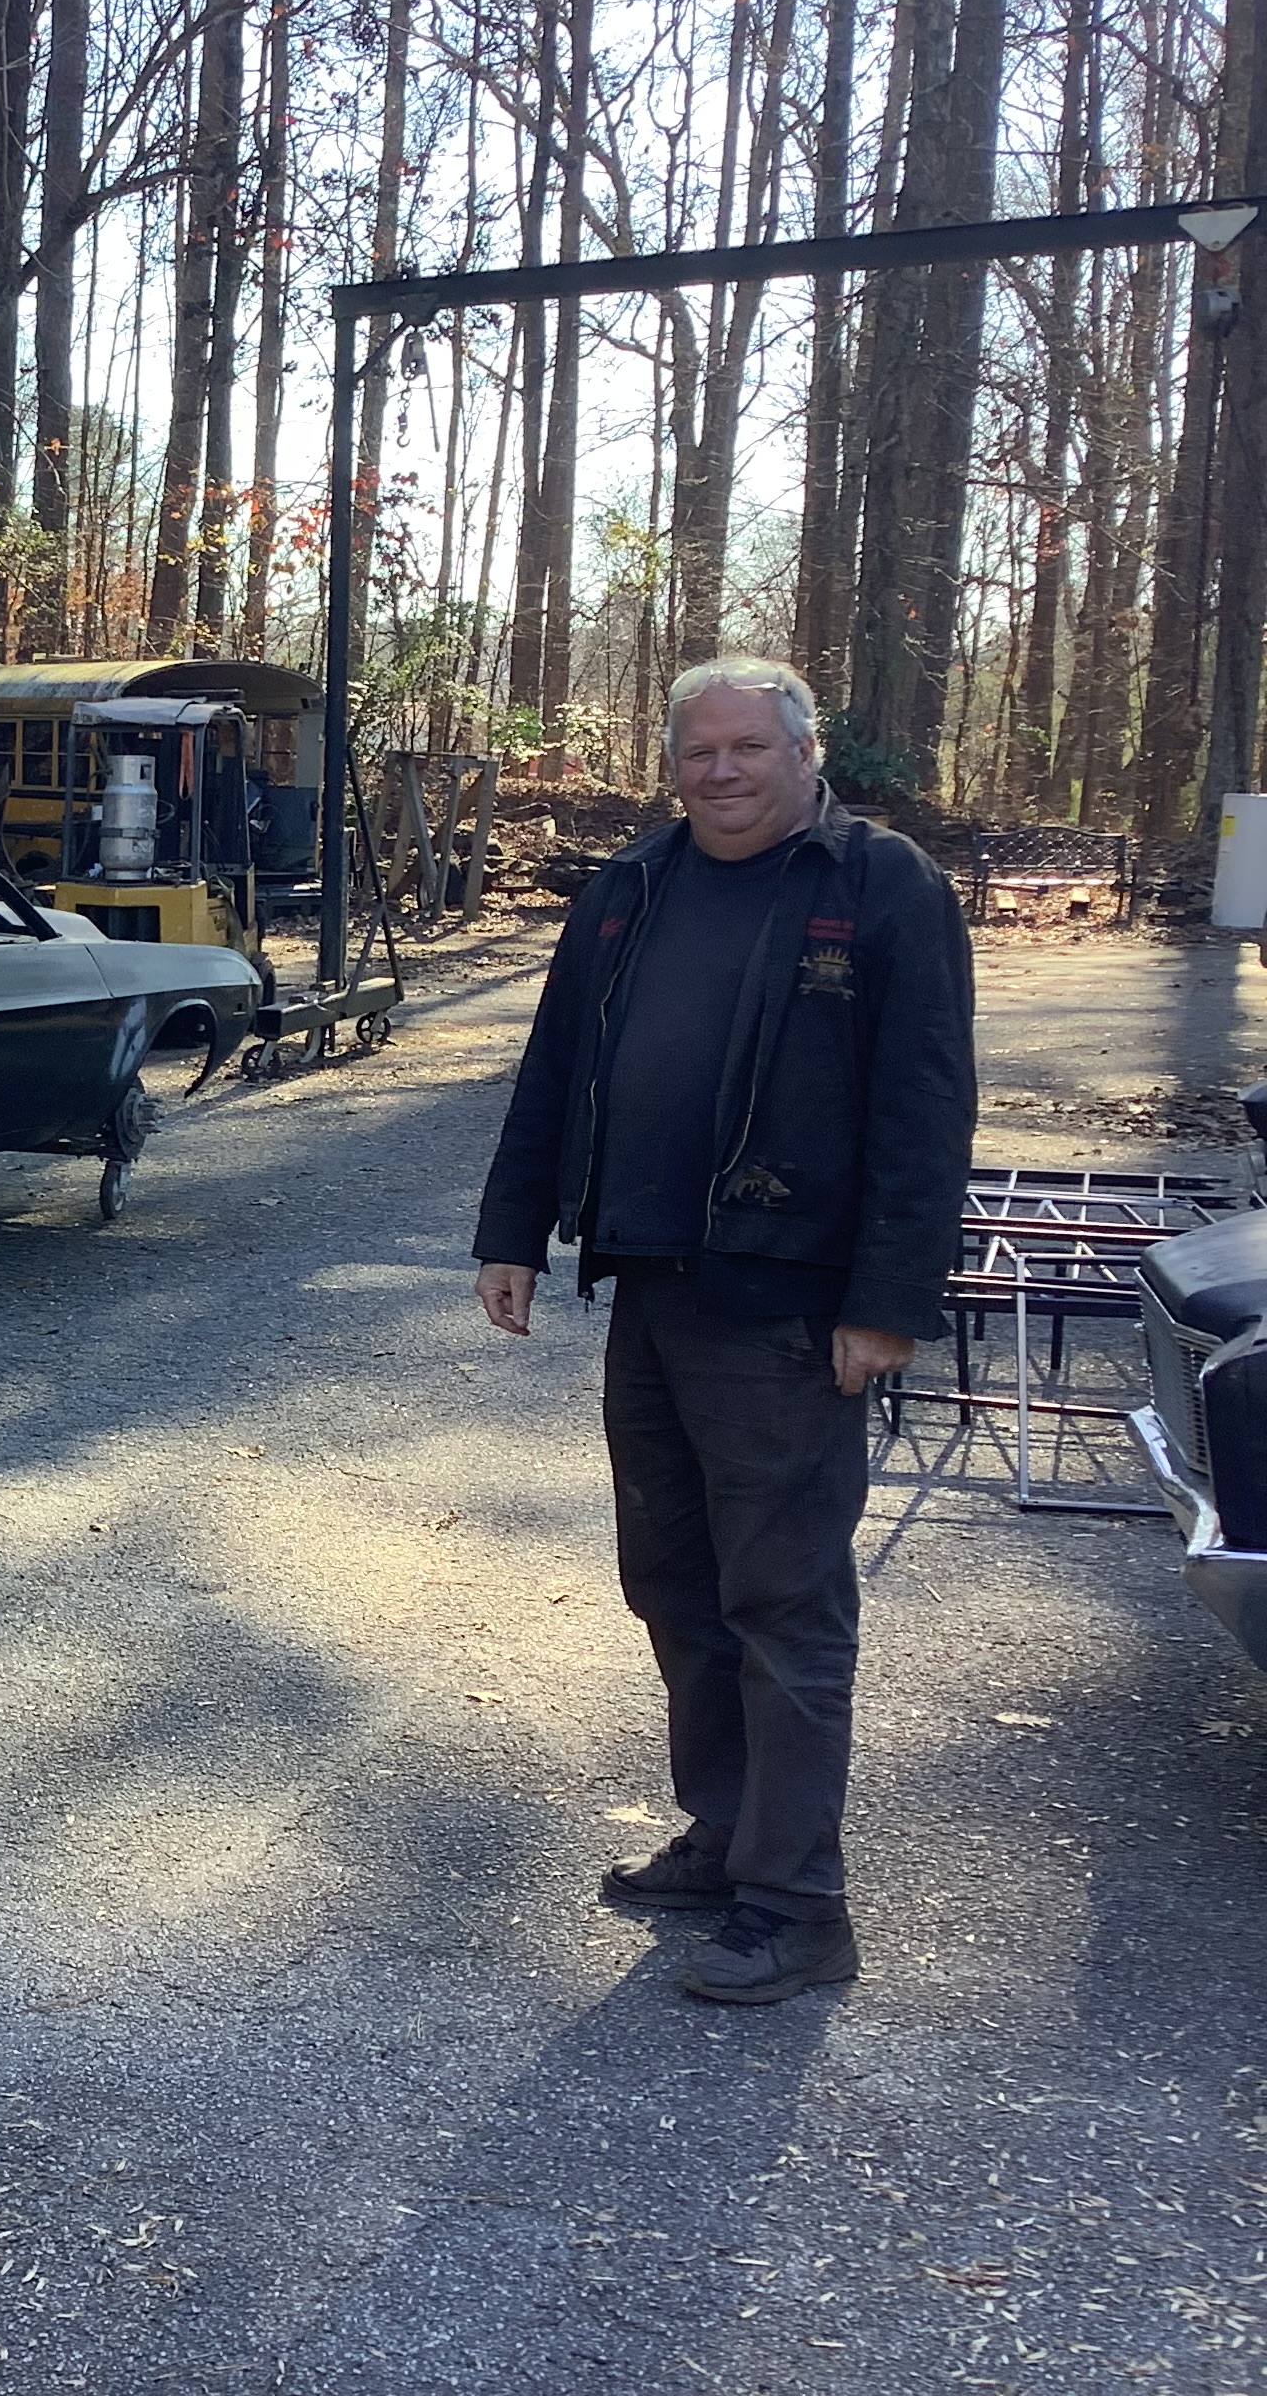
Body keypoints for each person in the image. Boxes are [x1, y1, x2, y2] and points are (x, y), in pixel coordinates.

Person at [471, 657, 974, 2005]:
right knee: (676, 1584)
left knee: (784, 1602)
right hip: (652, 1288)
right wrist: (513, 1230)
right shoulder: (633, 887)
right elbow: (556, 1065)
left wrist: (887, 1301)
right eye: (700, 751)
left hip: (790, 1302)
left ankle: (799, 1904)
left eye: (750, 747)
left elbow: (926, 1102)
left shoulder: (881, 886)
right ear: (674, 765)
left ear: (806, 755)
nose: (723, 771)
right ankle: (728, 1835)